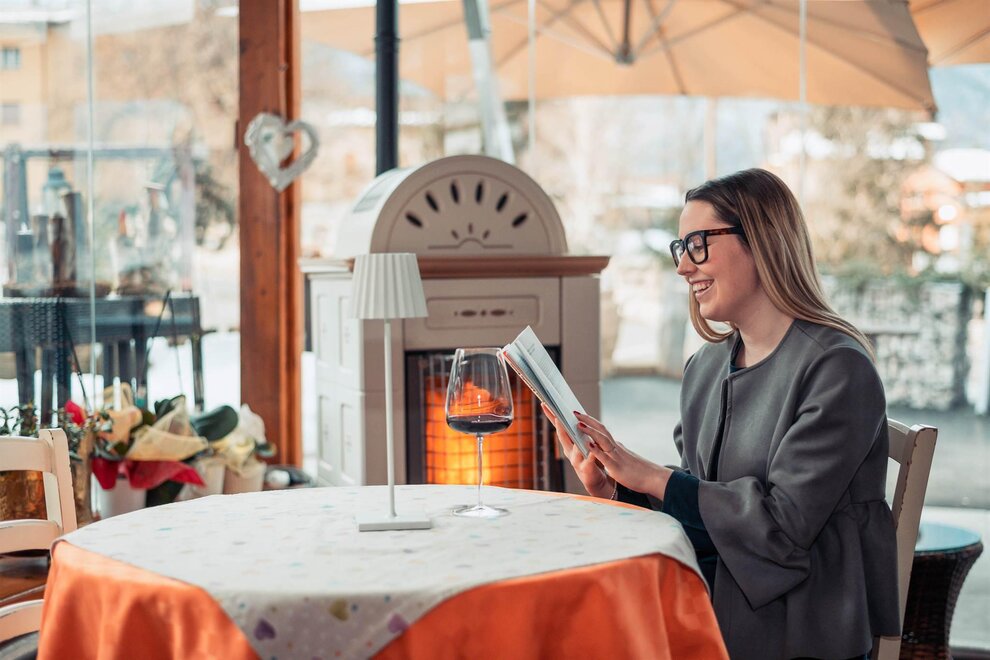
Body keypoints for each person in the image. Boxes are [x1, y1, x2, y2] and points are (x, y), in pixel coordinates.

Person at [543, 168, 900, 660]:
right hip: (709, 612)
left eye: (698, 244)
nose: (682, 267)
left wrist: (654, 477)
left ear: (761, 240)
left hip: (800, 635)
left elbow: (782, 528)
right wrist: (616, 486)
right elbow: (702, 505)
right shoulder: (706, 367)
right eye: (680, 247)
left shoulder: (838, 368)